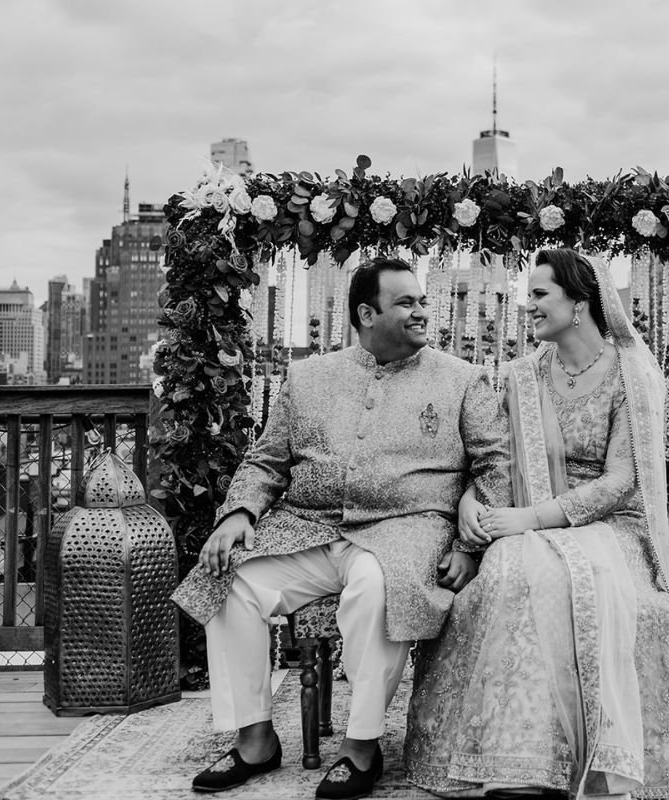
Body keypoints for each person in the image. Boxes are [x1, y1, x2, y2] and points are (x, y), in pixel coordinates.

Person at [172, 257, 511, 798]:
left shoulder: (462, 380)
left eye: (423, 301)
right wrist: (238, 514)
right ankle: (255, 739)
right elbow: (265, 462)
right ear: (366, 313)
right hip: (309, 525)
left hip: (407, 529)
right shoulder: (308, 377)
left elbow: (497, 466)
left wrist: (470, 544)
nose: (422, 311)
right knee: (229, 578)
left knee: (376, 587)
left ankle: (361, 748)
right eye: (407, 303)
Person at [404, 249, 669, 799]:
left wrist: (532, 518)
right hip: (525, 520)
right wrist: (467, 503)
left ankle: (589, 759)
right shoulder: (520, 376)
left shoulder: (632, 375)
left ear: (579, 303)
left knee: (572, 579)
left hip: (609, 526)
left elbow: (621, 480)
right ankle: (520, 764)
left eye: (539, 294)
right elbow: (488, 457)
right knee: (509, 574)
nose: (527, 306)